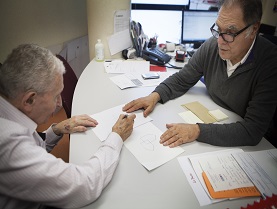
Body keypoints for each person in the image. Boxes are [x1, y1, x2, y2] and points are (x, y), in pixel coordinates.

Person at [123, 0, 277, 148]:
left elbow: (252, 130)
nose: (220, 41)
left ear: (253, 30)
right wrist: (155, 96)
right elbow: (183, 79)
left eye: (230, 32)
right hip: (214, 116)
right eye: (218, 29)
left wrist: (196, 131)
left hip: (247, 143)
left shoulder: (270, 62)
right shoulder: (212, 45)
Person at [0, 44, 136, 209]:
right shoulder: (8, 144)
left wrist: (56, 130)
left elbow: (30, 145)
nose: (59, 104)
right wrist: (117, 136)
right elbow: (84, 185)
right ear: (29, 100)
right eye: (56, 96)